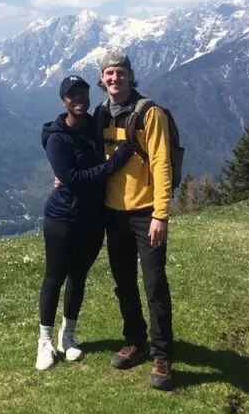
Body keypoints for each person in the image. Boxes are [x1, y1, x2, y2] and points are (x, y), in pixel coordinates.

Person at [36, 74, 133, 371]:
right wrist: (115, 163)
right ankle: (44, 342)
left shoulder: (94, 125)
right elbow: (74, 180)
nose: (79, 100)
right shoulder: (56, 137)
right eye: (72, 96)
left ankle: (69, 338)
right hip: (63, 218)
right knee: (55, 277)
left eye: (83, 94)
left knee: (79, 276)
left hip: (93, 218)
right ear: (63, 101)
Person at [93, 52, 175, 391]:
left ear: (131, 76)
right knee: (123, 281)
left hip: (145, 214)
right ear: (102, 78)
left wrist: (161, 214)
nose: (115, 79)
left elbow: (161, 162)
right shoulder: (99, 114)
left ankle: (162, 356)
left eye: (121, 73)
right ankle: (135, 340)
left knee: (154, 283)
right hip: (113, 213)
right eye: (109, 73)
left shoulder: (149, 113)